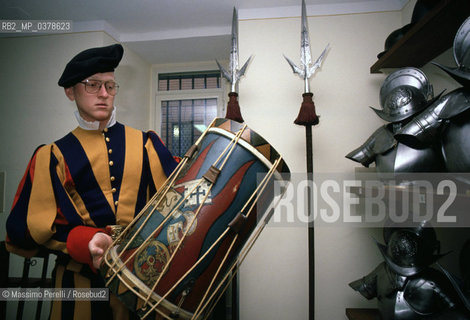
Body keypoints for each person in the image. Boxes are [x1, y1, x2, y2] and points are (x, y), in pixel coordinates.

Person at [5, 43, 178, 319]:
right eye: (93, 85)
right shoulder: (53, 155)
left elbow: (180, 198)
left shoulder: (146, 144)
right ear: (70, 91)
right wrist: (82, 240)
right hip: (78, 285)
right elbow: (24, 229)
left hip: (142, 282)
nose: (104, 94)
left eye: (110, 86)